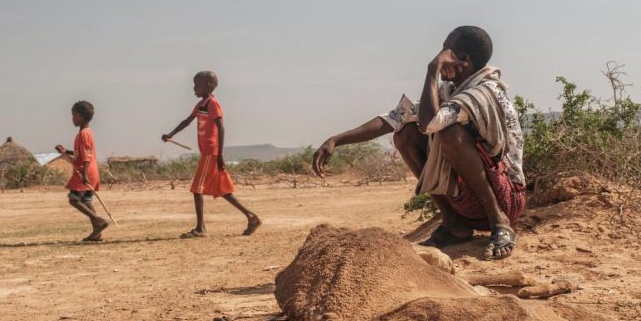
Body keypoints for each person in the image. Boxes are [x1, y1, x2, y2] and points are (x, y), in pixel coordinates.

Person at [312, 26, 525, 260]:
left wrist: (432, 70)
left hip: (506, 199)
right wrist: (336, 140)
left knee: (447, 132)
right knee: (404, 135)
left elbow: (431, 123)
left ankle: (500, 223)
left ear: (462, 60)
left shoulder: (484, 91)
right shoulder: (451, 91)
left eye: (445, 50)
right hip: (468, 205)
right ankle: (454, 224)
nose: (439, 55)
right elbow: (394, 118)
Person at [162, 71, 262, 238]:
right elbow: (187, 120)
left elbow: (221, 128)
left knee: (197, 189)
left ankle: (200, 228)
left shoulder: (212, 104)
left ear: (207, 86)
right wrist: (171, 134)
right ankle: (252, 217)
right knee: (222, 191)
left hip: (211, 152)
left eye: (197, 86)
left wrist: (220, 154)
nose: (194, 89)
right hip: (207, 153)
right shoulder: (202, 104)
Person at [55, 100, 108, 242]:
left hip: (85, 170)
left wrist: (84, 174)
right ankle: (97, 233)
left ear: (80, 116)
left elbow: (86, 155)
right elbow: (81, 152)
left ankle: (98, 221)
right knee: (87, 201)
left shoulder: (83, 134)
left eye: (73, 116)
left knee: (73, 199)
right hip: (91, 170)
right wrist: (66, 151)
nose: (72, 119)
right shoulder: (87, 133)